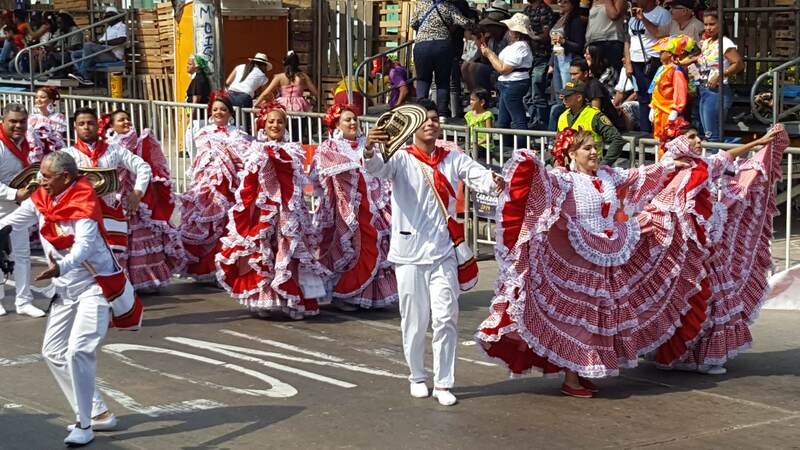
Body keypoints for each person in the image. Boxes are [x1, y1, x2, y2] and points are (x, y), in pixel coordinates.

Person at [474, 124, 786, 398]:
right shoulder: (562, 180)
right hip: (576, 258)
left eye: (595, 147)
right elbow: (538, 193)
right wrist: (521, 176)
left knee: (600, 320)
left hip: (610, 256)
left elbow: (642, 176)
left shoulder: (610, 175)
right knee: (578, 319)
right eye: (587, 148)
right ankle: (571, 377)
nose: (594, 152)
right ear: (571, 153)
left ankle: (582, 372)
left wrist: (670, 167)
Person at [363, 99, 504, 406]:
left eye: (435, 118)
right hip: (409, 253)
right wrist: (370, 148)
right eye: (425, 119)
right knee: (414, 321)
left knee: (446, 318)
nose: (431, 123)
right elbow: (375, 169)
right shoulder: (400, 158)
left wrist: (496, 182)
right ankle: (416, 375)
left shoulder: (452, 157)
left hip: (443, 253)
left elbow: (478, 176)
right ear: (414, 125)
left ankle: (443, 382)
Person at [0, 151, 144, 446]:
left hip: (95, 287)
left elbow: (85, 247)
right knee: (52, 351)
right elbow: (13, 219)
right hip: (64, 291)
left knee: (78, 350)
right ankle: (99, 413)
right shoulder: (42, 198)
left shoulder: (84, 202)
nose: (41, 181)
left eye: (47, 176)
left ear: (65, 178)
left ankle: (85, 424)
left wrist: (59, 267)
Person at [654, 123, 787, 375]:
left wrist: (759, 144)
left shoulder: (702, 166)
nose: (698, 142)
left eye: (698, 137)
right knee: (689, 303)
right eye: (691, 138)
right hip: (686, 253)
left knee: (715, 302)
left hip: (707, 250)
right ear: (679, 143)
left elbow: (726, 156)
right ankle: (684, 355)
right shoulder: (670, 171)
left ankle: (701, 356)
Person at [216, 101, 327, 319]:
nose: (275, 125)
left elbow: (297, 181)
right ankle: (265, 298)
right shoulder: (254, 149)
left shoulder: (294, 149)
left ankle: (291, 298)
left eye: (280, 122)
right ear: (263, 125)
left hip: (289, 211)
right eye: (271, 122)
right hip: (263, 211)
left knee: (289, 252)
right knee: (264, 253)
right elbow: (248, 182)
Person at [311, 103, 397, 311]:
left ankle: (368, 295)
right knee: (345, 248)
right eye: (347, 120)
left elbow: (380, 167)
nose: (352, 123)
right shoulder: (329, 147)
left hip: (373, 205)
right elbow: (320, 175)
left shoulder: (367, 144)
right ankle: (343, 292)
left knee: (376, 245)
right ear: (337, 124)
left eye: (354, 119)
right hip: (343, 209)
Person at [103, 110, 186, 292]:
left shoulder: (141, 140)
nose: (126, 122)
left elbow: (151, 165)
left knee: (142, 235)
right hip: (118, 199)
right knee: (122, 239)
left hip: (140, 198)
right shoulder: (109, 146)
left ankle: (144, 280)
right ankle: (123, 281)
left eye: (127, 119)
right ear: (111, 126)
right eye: (120, 120)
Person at [60, 108, 151, 265]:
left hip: (109, 214)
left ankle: (116, 289)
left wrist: (137, 192)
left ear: (98, 125)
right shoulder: (67, 154)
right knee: (84, 263)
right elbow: (46, 176)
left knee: (113, 261)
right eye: (81, 124)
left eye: (90, 123)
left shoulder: (113, 150)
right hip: (80, 216)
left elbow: (143, 167)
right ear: (75, 127)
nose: (86, 127)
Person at [180, 91, 252, 281]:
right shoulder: (203, 133)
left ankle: (225, 268)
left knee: (226, 227)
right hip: (207, 187)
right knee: (207, 226)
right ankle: (204, 268)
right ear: (210, 112)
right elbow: (200, 158)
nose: (219, 112)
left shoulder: (239, 135)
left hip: (230, 188)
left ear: (230, 113)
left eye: (223, 109)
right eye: (216, 109)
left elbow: (243, 159)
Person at [0, 103, 45, 318]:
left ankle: (24, 300)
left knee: (22, 254)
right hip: (2, 204)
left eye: (22, 122)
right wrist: (13, 193)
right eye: (13, 121)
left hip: (20, 207)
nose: (18, 126)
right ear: (3, 120)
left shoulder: (26, 143)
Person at [410, 0, 471, 119]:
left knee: (422, 80)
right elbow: (464, 22)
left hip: (421, 46)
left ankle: (420, 112)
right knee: (442, 81)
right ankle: (442, 114)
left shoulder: (421, 5)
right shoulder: (449, 7)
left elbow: (413, 23)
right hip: (442, 46)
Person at [694, 10, 743, 143]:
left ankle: (735, 150)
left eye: (712, 24)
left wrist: (719, 76)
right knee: (706, 133)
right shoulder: (707, 42)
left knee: (712, 135)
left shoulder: (725, 43)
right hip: (704, 89)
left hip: (718, 91)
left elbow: (738, 64)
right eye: (705, 24)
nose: (708, 28)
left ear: (721, 24)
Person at [479, 13, 533, 131]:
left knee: (517, 120)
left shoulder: (520, 46)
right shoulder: (514, 45)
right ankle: (507, 146)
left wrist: (489, 54)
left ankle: (522, 147)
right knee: (503, 121)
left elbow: (503, 69)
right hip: (507, 83)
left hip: (514, 83)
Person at [624, 0, 671, 133]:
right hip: (636, 61)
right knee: (642, 97)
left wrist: (643, 18)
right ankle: (645, 132)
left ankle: (657, 131)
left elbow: (660, 34)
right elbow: (628, 40)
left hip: (653, 61)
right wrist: (628, 63)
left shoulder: (662, 14)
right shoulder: (632, 16)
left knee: (655, 97)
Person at [556, 80, 626, 166]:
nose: (564, 98)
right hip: (569, 170)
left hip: (591, 168)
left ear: (579, 97)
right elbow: (558, 143)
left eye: (568, 95)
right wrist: (556, 160)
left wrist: (604, 164)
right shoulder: (562, 117)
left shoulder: (594, 115)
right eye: (564, 95)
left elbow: (617, 140)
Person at [649, 35, 694, 154]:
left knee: (669, 141)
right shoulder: (662, 68)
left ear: (670, 53)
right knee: (658, 139)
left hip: (669, 112)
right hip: (659, 110)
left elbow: (680, 91)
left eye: (662, 51)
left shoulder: (676, 70)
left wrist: (675, 110)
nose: (659, 54)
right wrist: (653, 107)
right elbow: (656, 89)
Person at [68, 6, 127, 86]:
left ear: (115, 16)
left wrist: (103, 42)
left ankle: (84, 76)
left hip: (113, 55)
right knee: (75, 54)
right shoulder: (109, 28)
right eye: (106, 17)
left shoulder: (122, 26)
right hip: (103, 52)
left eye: (109, 16)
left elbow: (122, 39)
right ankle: (83, 75)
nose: (107, 19)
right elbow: (101, 42)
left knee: (88, 46)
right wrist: (97, 42)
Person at [523, 0, 558, 129]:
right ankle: (534, 120)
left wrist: (530, 35)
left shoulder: (546, 10)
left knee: (537, 91)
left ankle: (542, 123)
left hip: (542, 56)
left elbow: (545, 36)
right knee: (527, 96)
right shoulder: (527, 10)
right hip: (528, 57)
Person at [572, 58, 624, 130]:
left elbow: (595, 112)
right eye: (571, 74)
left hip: (608, 127)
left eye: (575, 74)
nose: (572, 78)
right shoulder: (576, 86)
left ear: (585, 74)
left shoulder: (594, 86)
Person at [549, 0, 585, 97]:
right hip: (557, 57)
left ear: (572, 4)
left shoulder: (575, 20)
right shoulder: (560, 19)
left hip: (568, 59)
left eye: (565, 2)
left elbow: (578, 45)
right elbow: (555, 45)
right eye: (560, 1)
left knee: (567, 92)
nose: (561, 4)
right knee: (558, 93)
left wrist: (563, 41)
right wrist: (551, 63)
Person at [585, 0, 627, 73]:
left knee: (612, 74)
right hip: (593, 42)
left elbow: (614, 15)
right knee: (595, 73)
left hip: (611, 41)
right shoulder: (594, 1)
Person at [26, 86, 66, 162]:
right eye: (36, 97)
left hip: (53, 154)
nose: (38, 100)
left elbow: (57, 138)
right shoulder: (31, 117)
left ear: (51, 100)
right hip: (33, 154)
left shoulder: (58, 117)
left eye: (42, 97)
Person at [464, 88, 494, 157]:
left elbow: (489, 136)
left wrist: (476, 143)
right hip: (471, 144)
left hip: (484, 146)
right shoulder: (469, 115)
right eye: (470, 100)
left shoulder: (487, 115)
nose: (470, 102)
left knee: (474, 151)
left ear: (482, 102)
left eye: (473, 100)